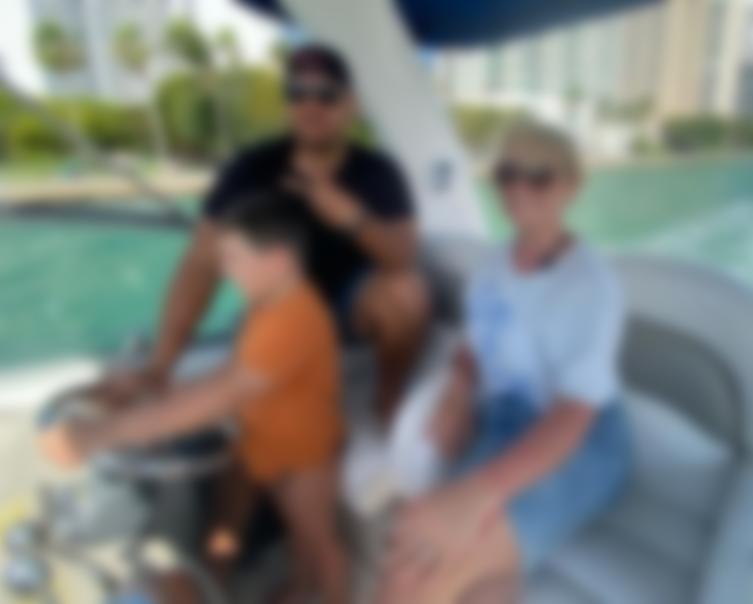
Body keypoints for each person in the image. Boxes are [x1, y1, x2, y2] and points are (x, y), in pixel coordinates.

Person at [40, 196, 349, 604]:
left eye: (234, 259)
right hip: (257, 440)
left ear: (277, 260)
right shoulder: (266, 305)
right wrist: (151, 388)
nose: (224, 271)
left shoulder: (294, 319)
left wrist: (98, 434)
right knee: (227, 521)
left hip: (303, 456)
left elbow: (222, 396)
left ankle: (320, 591)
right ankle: (220, 580)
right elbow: (229, 375)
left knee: (314, 542)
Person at [101, 43, 428, 423]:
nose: (311, 104)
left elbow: (403, 258)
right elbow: (201, 262)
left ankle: (388, 404)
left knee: (406, 295)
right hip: (277, 308)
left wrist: (348, 215)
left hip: (350, 309)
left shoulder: (379, 172)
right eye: (297, 93)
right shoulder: (251, 169)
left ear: (350, 104)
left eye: (326, 94)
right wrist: (160, 367)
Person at [378, 122, 631, 604]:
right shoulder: (491, 267)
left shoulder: (590, 285)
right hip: (504, 425)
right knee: (448, 568)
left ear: (571, 186)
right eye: (507, 174)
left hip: (578, 443)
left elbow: (574, 414)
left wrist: (478, 493)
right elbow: (475, 344)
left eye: (539, 176)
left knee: (410, 577)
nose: (519, 187)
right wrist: (457, 392)